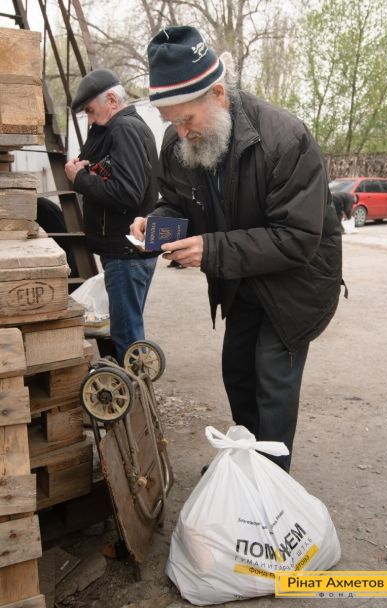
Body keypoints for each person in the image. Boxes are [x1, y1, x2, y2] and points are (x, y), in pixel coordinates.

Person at [131, 26, 343, 472]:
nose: (182, 132)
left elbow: (297, 237)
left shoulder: (285, 138)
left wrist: (210, 251)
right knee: (238, 373)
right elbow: (178, 202)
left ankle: (269, 486)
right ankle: (248, 467)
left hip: (295, 285)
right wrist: (157, 224)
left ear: (218, 94)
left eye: (187, 119)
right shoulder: (179, 142)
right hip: (243, 278)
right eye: (172, 122)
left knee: (272, 382)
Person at [65, 68, 159, 364]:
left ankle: (132, 386)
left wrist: (80, 179)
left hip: (125, 251)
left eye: (91, 111)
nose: (91, 120)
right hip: (129, 249)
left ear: (112, 100)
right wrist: (90, 168)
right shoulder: (123, 127)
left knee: (126, 333)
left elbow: (127, 193)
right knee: (127, 327)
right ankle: (134, 381)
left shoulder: (124, 129)